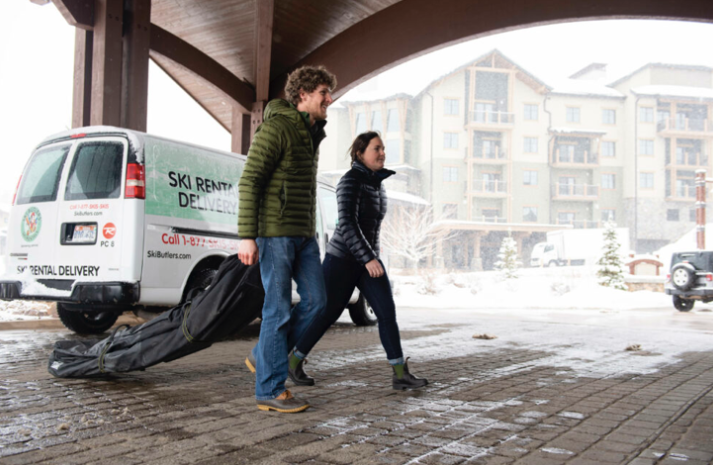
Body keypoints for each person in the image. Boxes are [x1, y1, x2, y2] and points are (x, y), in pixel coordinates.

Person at [288, 131, 428, 390]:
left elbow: (370, 226)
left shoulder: (376, 184)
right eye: (376, 148)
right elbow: (348, 224)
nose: (382, 153)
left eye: (383, 148)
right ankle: (293, 360)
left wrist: (371, 255)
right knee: (326, 314)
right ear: (360, 153)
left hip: (367, 259)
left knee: (386, 312)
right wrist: (368, 258)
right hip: (341, 259)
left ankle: (400, 373)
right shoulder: (349, 181)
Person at [237, 65, 336, 413]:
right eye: (323, 92)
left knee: (319, 302)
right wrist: (247, 236)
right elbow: (250, 181)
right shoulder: (277, 127)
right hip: (275, 234)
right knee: (277, 311)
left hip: (303, 234)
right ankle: (269, 390)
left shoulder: (311, 133)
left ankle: (263, 355)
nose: (330, 98)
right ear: (302, 94)